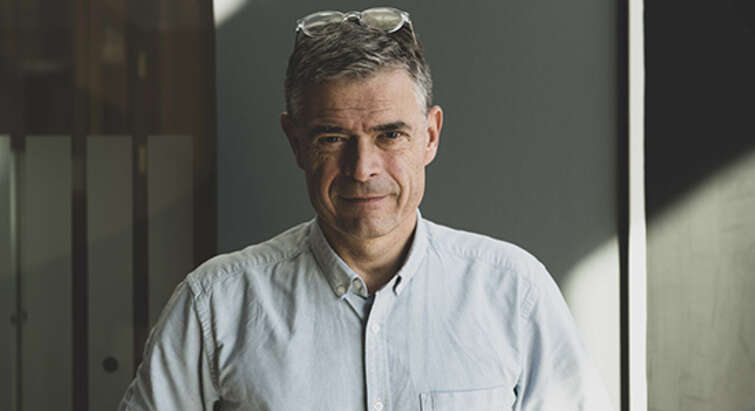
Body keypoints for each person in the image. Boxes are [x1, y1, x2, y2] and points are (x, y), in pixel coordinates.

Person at [120, 7, 613, 411]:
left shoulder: (515, 293)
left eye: (390, 134)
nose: (362, 168)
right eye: (332, 138)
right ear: (295, 142)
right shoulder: (216, 304)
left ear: (430, 136)